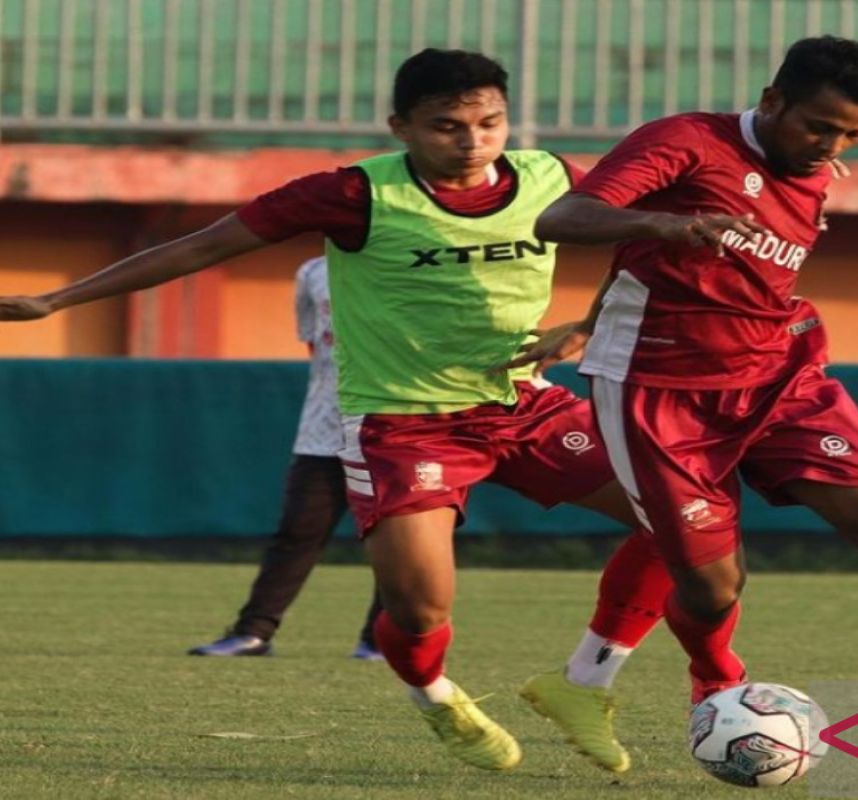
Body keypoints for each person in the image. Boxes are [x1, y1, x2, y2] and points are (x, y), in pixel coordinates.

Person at [0, 49, 676, 774]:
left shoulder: (550, 178)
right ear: (401, 128)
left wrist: (585, 325)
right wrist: (58, 299)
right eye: (448, 125)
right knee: (421, 612)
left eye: (489, 123)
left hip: (521, 404)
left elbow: (644, 242)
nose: (473, 141)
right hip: (404, 421)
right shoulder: (354, 195)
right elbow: (205, 243)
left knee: (685, 518)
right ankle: (432, 692)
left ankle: (584, 682)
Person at [512, 36, 858, 778]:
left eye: (854, 135)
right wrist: (667, 228)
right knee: (713, 589)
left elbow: (715, 267)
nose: (831, 146)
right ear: (772, 100)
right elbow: (563, 219)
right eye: (819, 126)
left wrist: (599, 309)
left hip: (780, 373)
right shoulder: (685, 142)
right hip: (661, 393)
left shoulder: (811, 165)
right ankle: (716, 677)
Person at [188, 255, 384, 660]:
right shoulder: (313, 271)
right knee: (297, 531)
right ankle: (253, 632)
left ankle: (380, 641)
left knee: (398, 540)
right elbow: (316, 343)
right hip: (323, 426)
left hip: (398, 425)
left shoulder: (407, 259)